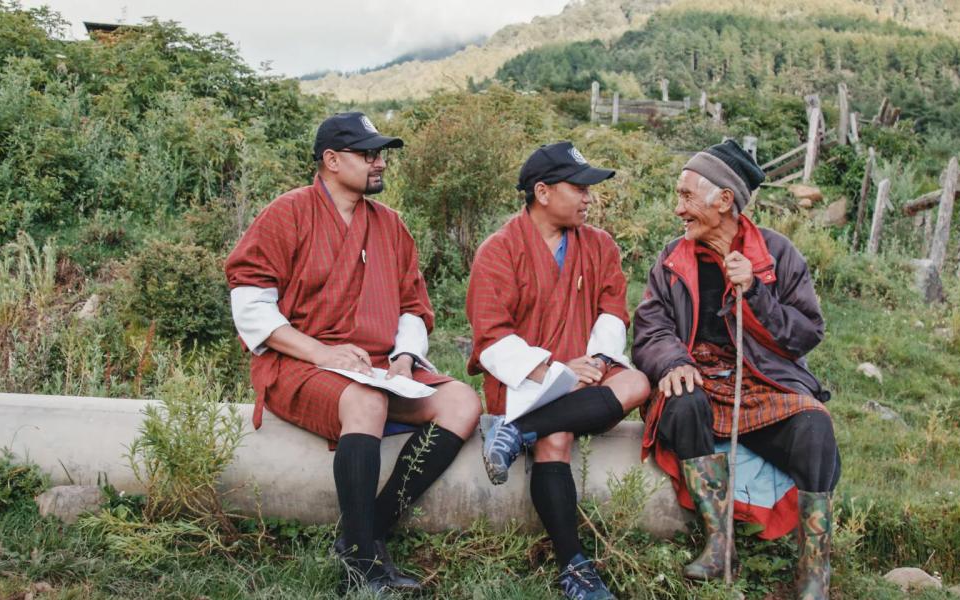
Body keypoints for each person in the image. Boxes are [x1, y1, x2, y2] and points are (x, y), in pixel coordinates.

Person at [224, 112, 482, 595]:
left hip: (377, 367)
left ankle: (364, 535)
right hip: (298, 363)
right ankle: (361, 567)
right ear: (331, 160)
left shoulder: (389, 225)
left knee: (462, 403)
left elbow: (412, 305)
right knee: (367, 401)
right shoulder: (287, 213)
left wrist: (405, 357)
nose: (379, 163)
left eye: (380, 154)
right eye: (369, 155)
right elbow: (252, 307)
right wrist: (322, 353)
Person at [632, 140, 839, 599]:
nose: (677, 209)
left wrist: (757, 294)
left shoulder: (778, 255)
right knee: (682, 403)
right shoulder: (672, 259)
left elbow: (805, 335)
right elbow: (649, 326)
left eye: (686, 196)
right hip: (700, 379)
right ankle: (719, 543)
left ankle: (814, 571)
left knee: (814, 428)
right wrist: (673, 361)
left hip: (761, 383)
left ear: (724, 200)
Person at [466, 142, 651, 600]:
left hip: (588, 373)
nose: (589, 197)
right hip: (526, 378)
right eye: (579, 187)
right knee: (558, 436)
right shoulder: (499, 249)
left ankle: (515, 433)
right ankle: (574, 566)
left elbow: (612, 310)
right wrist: (551, 367)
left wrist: (599, 361)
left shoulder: (600, 245)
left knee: (637, 381)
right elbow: (491, 335)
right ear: (543, 192)